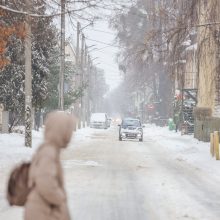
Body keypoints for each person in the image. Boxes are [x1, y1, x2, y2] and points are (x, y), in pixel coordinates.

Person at [24, 111, 75, 220]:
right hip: (43, 212)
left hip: (42, 209)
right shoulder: (49, 152)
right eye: (69, 130)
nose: (70, 135)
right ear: (61, 131)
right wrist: (60, 198)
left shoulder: (49, 149)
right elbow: (45, 182)